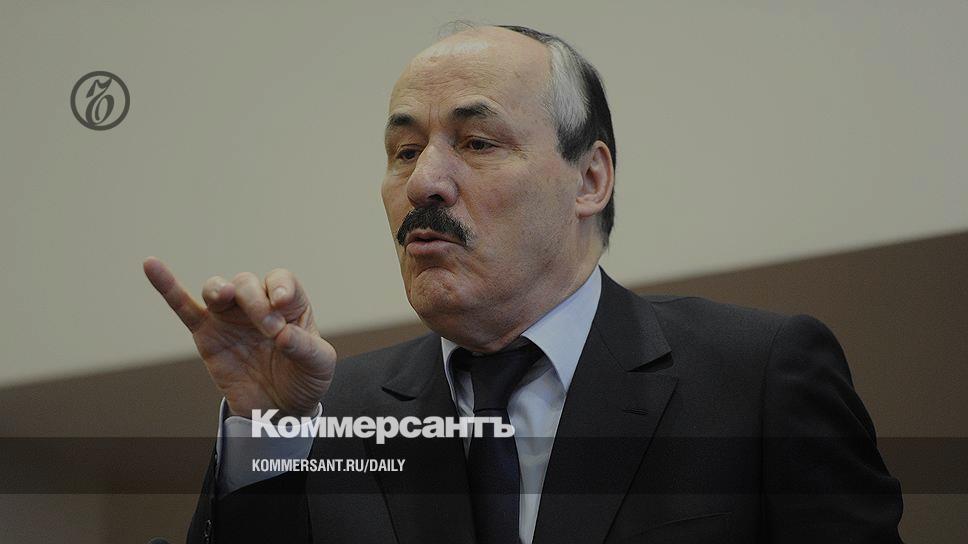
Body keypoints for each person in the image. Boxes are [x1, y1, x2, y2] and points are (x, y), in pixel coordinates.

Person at [144, 24, 903, 544]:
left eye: (477, 142)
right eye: (404, 152)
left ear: (590, 179)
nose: (424, 182)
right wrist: (267, 431)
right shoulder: (326, 417)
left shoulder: (755, 376)